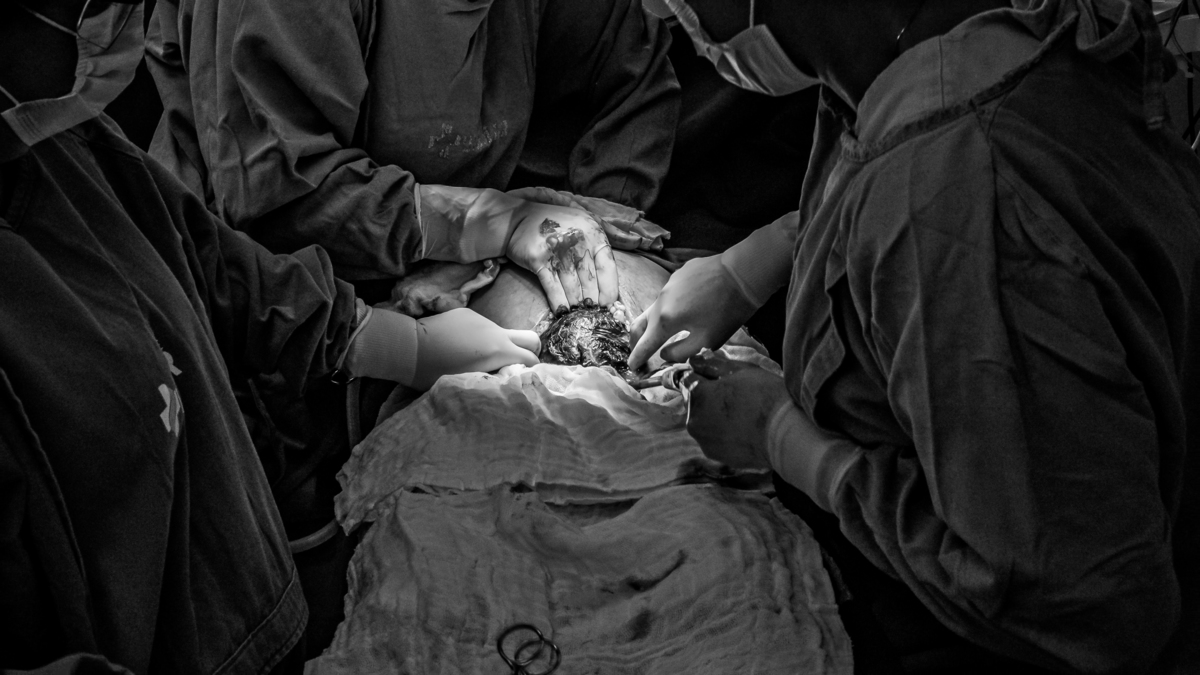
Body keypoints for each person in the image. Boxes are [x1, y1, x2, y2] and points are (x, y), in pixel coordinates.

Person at [630, 0, 1200, 673]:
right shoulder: (945, 45)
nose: (659, 10)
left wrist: (787, 441)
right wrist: (766, 256)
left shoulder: (957, 197)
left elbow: (1089, 609)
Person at [0, 0, 544, 671]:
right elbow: (273, 186)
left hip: (242, 591)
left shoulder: (62, 148)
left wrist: (383, 339)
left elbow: (210, 262)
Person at [144, 0, 680, 313]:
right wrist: (481, 226)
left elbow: (629, 76)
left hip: (466, 273)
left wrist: (588, 234)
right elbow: (276, 194)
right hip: (282, 302)